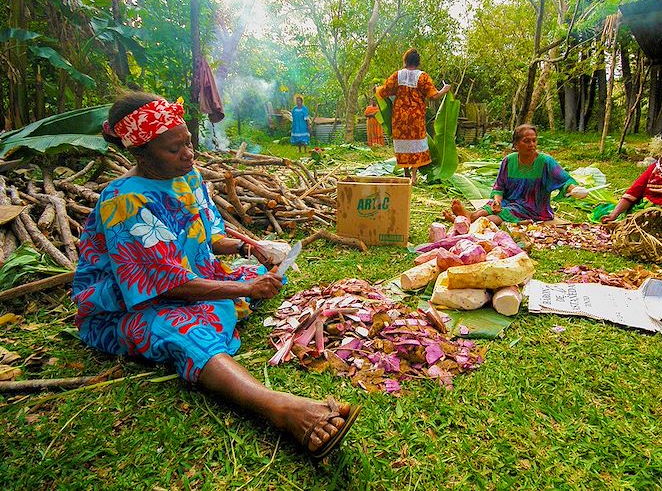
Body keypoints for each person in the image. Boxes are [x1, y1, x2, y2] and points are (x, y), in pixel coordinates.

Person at [72, 92, 360, 459]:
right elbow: (164, 284)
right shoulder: (123, 201)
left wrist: (250, 247)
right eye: (173, 149)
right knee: (180, 330)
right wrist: (242, 287)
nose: (188, 154)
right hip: (130, 305)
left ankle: (229, 307)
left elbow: (208, 235)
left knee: (265, 273)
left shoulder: (187, 177)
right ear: (141, 153)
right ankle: (281, 408)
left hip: (190, 277)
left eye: (188, 142)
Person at [446, 124, 588, 225]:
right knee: (488, 209)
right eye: (526, 141)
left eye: (534, 140)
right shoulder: (508, 161)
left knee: (494, 219)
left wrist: (574, 189)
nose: (532, 144)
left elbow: (565, 180)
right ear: (516, 144)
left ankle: (466, 222)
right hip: (508, 202)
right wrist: (497, 201)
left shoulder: (545, 162)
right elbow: (499, 188)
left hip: (533, 208)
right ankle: (470, 217)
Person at [376, 48, 451, 184]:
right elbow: (434, 96)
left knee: (403, 146)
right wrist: (444, 90)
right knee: (416, 146)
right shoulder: (423, 77)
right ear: (418, 62)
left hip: (400, 118)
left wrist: (377, 89)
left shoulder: (397, 76)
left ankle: (406, 175)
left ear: (405, 61)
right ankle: (414, 176)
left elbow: (384, 91)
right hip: (416, 118)